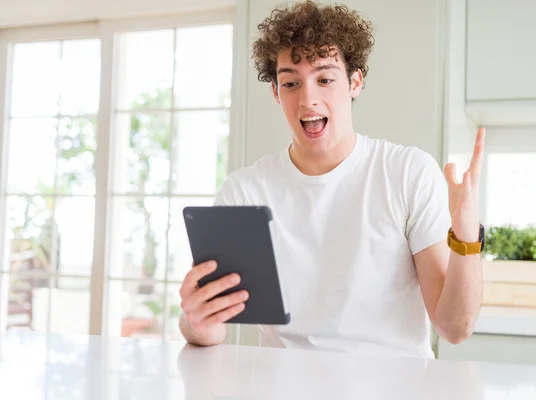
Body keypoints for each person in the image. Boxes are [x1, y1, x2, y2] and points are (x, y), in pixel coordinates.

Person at [179, 0, 485, 359]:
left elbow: (454, 328)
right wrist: (195, 320)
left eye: (325, 79)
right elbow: (207, 326)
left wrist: (466, 238)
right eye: (291, 83)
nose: (308, 98)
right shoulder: (245, 190)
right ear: (276, 93)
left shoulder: (407, 172)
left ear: (355, 82)